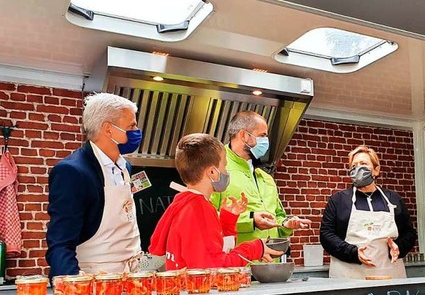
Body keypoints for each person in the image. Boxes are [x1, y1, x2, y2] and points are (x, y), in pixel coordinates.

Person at [149, 133, 282, 269]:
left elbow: (214, 250)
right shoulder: (199, 209)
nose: (226, 172)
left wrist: (227, 222)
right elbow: (213, 267)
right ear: (212, 172)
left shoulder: (182, 203)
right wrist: (254, 248)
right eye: (224, 166)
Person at [46, 93, 143, 277]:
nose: (136, 130)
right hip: (96, 279)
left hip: (131, 276)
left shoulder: (125, 167)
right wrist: (72, 286)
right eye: (131, 125)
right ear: (108, 129)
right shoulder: (72, 171)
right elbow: (60, 242)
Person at [210, 111, 311, 245]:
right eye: (262, 135)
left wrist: (286, 224)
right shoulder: (217, 168)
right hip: (237, 263)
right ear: (244, 135)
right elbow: (206, 217)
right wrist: (250, 221)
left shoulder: (265, 177)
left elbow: (278, 216)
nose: (266, 142)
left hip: (269, 261)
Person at [320, 145, 417, 279]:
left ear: (376, 170)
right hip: (348, 275)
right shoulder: (339, 200)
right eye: (354, 166)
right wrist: (353, 253)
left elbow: (410, 233)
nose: (357, 168)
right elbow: (326, 235)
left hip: (389, 273)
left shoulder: (393, 198)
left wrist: (398, 247)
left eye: (363, 164)